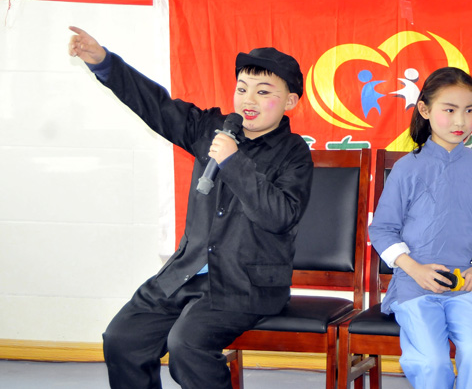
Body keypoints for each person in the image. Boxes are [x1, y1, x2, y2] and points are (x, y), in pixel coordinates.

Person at [67, 26, 314, 389]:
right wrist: (104, 63)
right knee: (123, 339)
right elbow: (157, 106)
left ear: (290, 102)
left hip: (245, 284)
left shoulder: (294, 153)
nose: (249, 99)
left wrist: (233, 162)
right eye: (242, 89)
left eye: (264, 92)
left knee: (186, 345)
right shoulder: (213, 129)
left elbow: (279, 217)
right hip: (186, 273)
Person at [368, 67, 472, 389]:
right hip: (414, 286)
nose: (461, 121)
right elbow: (382, 229)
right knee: (431, 362)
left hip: (467, 285)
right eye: (449, 110)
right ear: (424, 110)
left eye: (469, 110)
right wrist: (415, 269)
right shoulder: (407, 168)